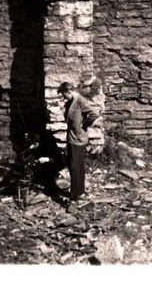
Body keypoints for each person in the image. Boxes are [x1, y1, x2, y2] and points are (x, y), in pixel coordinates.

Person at [58, 81, 100, 212]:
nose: (63, 97)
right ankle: (80, 191)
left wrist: (84, 124)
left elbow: (94, 114)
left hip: (78, 139)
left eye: (64, 95)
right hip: (71, 138)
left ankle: (74, 198)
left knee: (75, 167)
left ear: (69, 91)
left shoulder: (80, 101)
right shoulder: (70, 102)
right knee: (75, 166)